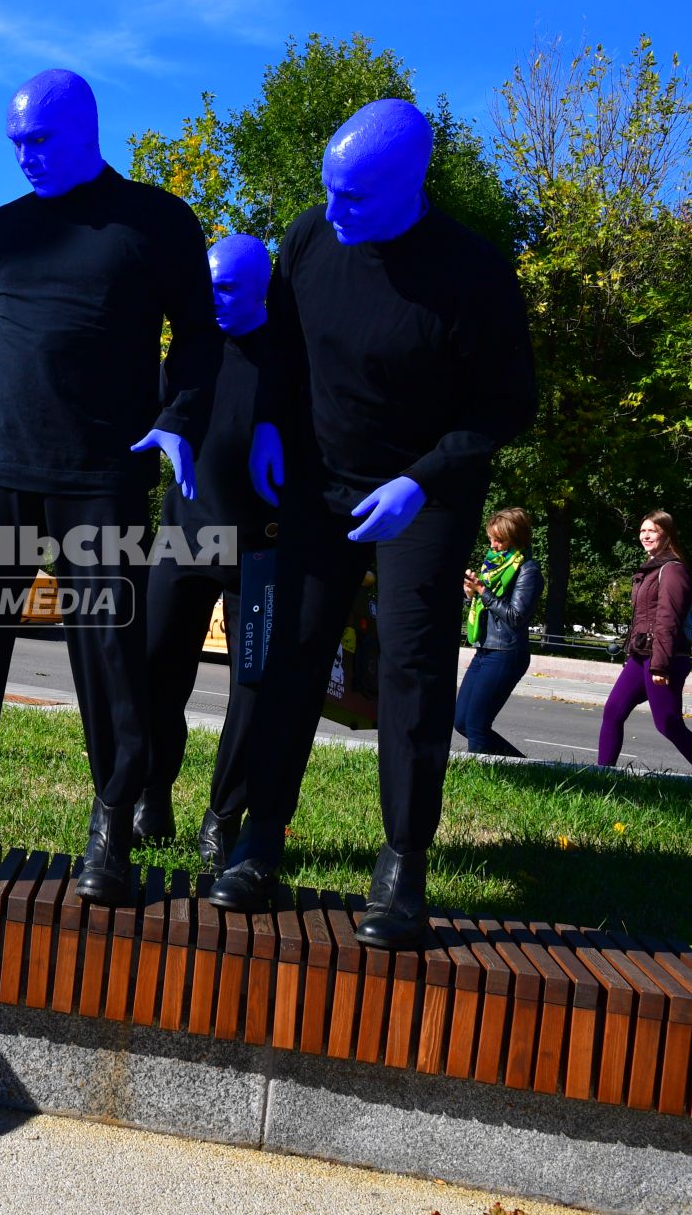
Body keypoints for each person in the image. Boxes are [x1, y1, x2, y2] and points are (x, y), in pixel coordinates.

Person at [207, 99, 535, 951]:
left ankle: (401, 863)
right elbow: (279, 346)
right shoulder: (313, 238)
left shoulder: (473, 274)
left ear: (409, 187)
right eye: (329, 190)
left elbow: (506, 406)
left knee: (414, 672)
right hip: (321, 484)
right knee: (292, 659)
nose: (334, 209)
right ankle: (259, 839)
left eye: (354, 197)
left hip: (422, 493)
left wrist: (422, 482)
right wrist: (274, 422)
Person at [0, 68, 219, 906]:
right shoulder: (6, 229)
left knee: (110, 655)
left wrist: (178, 418)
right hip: (1, 467)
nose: (24, 158)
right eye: (14, 143)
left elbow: (198, 335)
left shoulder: (156, 221)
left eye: (39, 141)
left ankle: (111, 825)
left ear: (86, 128)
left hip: (101, 474)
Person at [137, 234, 280, 871]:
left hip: (259, 547)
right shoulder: (191, 347)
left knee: (252, 688)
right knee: (158, 670)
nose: (211, 301)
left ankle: (224, 815)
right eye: (207, 288)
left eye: (225, 290)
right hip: (184, 534)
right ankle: (152, 788)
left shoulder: (290, 357)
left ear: (261, 290)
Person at [596, 510, 692, 777]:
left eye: (651, 531)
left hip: (663, 658)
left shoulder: (673, 570)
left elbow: (668, 621)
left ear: (666, 534)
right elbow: (642, 619)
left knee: (668, 724)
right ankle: (601, 775)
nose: (645, 536)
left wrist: (660, 666)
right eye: (642, 531)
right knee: (613, 711)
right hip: (641, 655)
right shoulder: (651, 569)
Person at [455, 507, 541, 757]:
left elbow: (516, 616)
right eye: (491, 538)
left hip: (507, 652)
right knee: (461, 722)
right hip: (484, 648)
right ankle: (525, 766)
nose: (493, 545)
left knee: (477, 725)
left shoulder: (528, 570)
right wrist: (470, 593)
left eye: (499, 540)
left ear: (516, 539)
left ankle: (482, 776)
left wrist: (483, 591)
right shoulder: (493, 566)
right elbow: (482, 608)